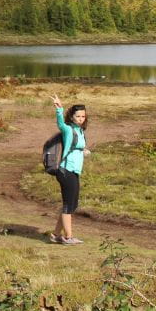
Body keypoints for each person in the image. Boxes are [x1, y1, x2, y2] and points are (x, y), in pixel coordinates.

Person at [50, 93, 90, 245]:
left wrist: (83, 151)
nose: (81, 119)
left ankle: (55, 235)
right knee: (68, 205)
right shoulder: (68, 129)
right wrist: (59, 108)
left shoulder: (80, 131)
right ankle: (68, 237)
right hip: (66, 170)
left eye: (83, 116)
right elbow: (60, 124)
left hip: (74, 171)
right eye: (78, 116)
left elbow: (76, 147)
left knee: (72, 204)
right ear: (72, 117)